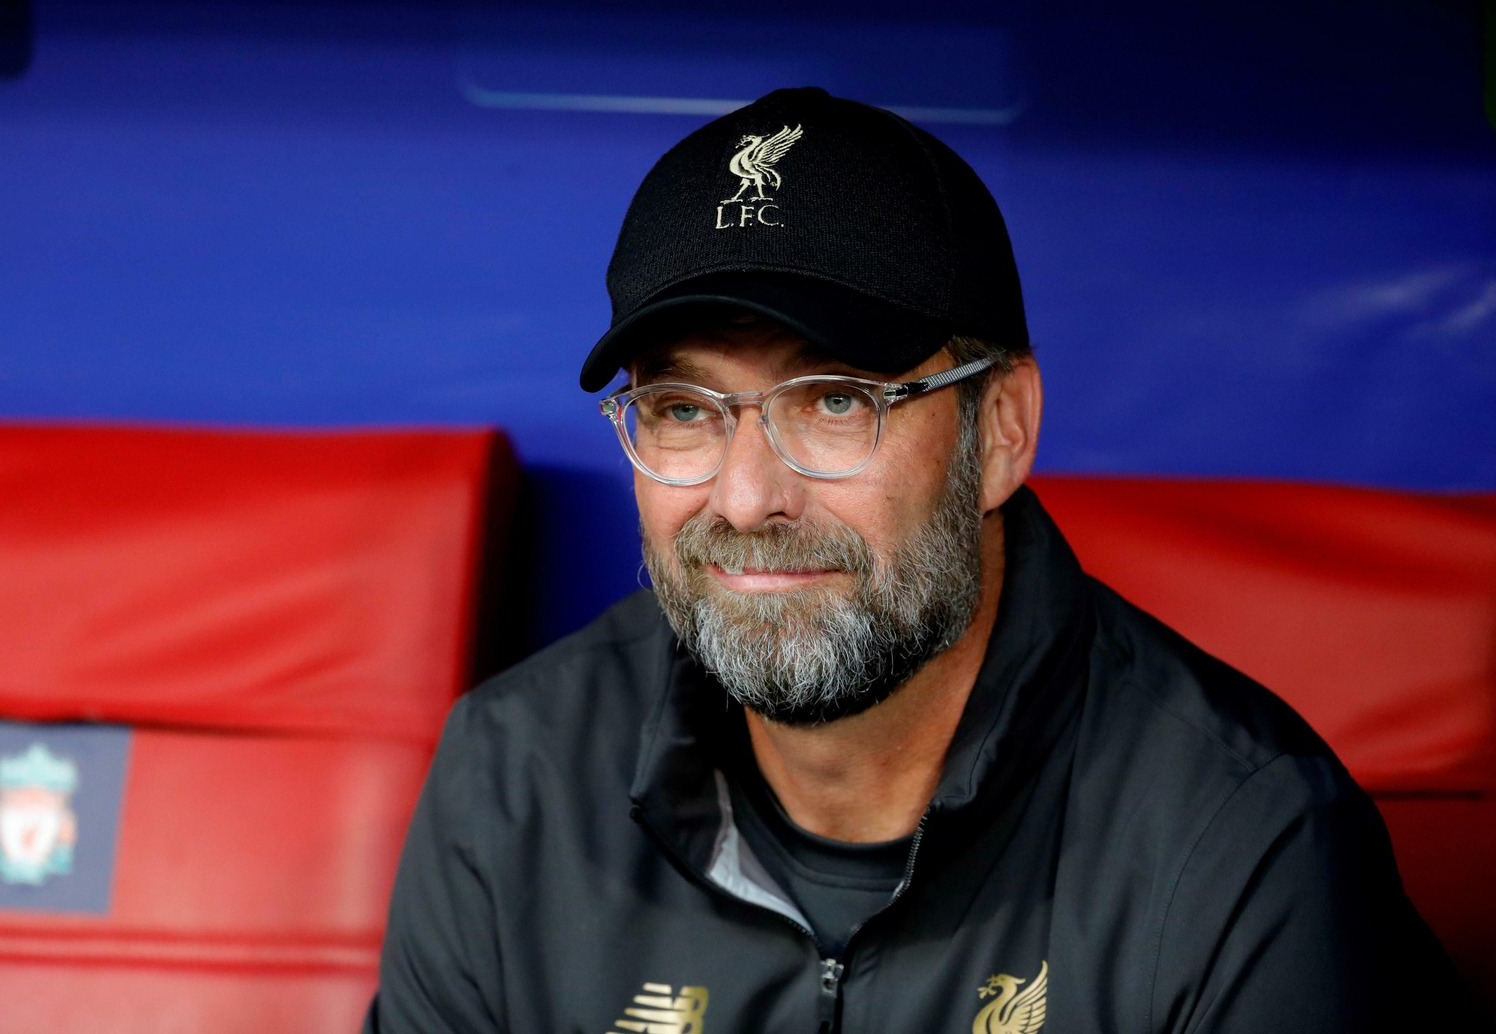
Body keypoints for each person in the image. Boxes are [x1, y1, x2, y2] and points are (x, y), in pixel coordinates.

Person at [365, 87, 1478, 1033]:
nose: (747, 497)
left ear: (1000, 428)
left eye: (838, 398)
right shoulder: (509, 781)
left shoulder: (1243, 840)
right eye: (680, 408)